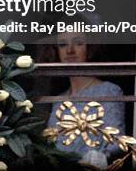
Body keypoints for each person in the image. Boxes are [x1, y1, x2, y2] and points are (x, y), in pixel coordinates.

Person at [43, 31, 125, 169]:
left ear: (90, 47)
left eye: (78, 43)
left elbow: (117, 141)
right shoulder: (58, 100)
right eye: (63, 45)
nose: (70, 50)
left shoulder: (108, 91)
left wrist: (101, 157)